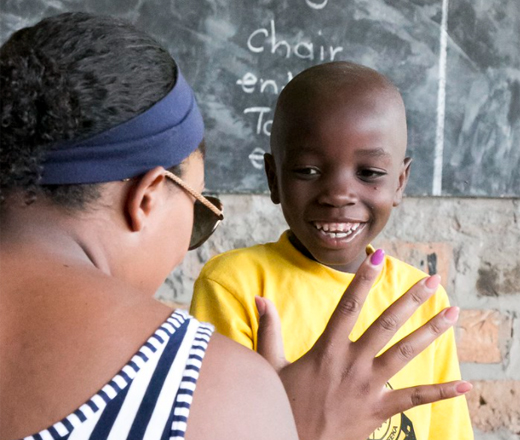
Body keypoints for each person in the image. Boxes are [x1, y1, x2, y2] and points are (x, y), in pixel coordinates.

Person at [0, 13, 471, 440]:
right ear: (146, 198)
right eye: (200, 208)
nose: (338, 195)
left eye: (368, 173)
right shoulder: (200, 380)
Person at [190, 62, 474, 439]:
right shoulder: (235, 285)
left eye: (369, 173)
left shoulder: (423, 301)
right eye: (307, 170)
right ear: (274, 179)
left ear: (401, 182)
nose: (339, 194)